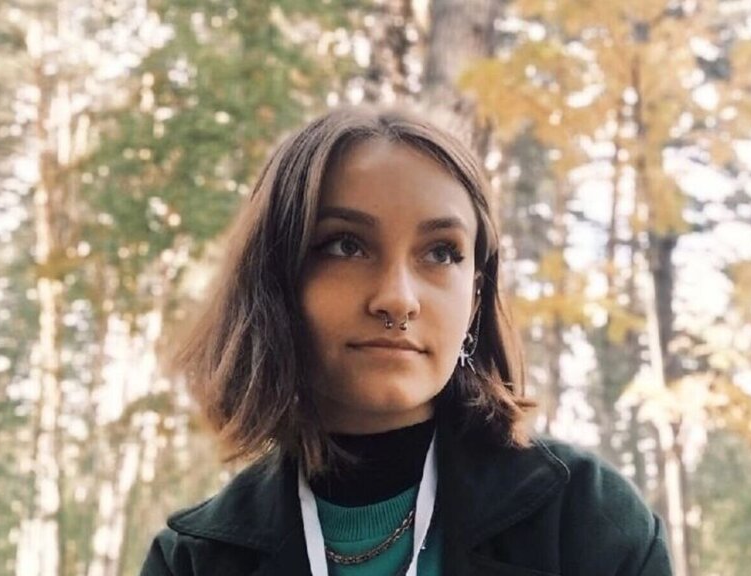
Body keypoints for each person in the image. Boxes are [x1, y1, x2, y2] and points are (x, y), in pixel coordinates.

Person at [140, 104, 671, 576]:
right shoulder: (192, 561)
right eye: (346, 246)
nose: (398, 298)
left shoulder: (588, 522)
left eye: (441, 253)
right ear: (276, 279)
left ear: (475, 299)